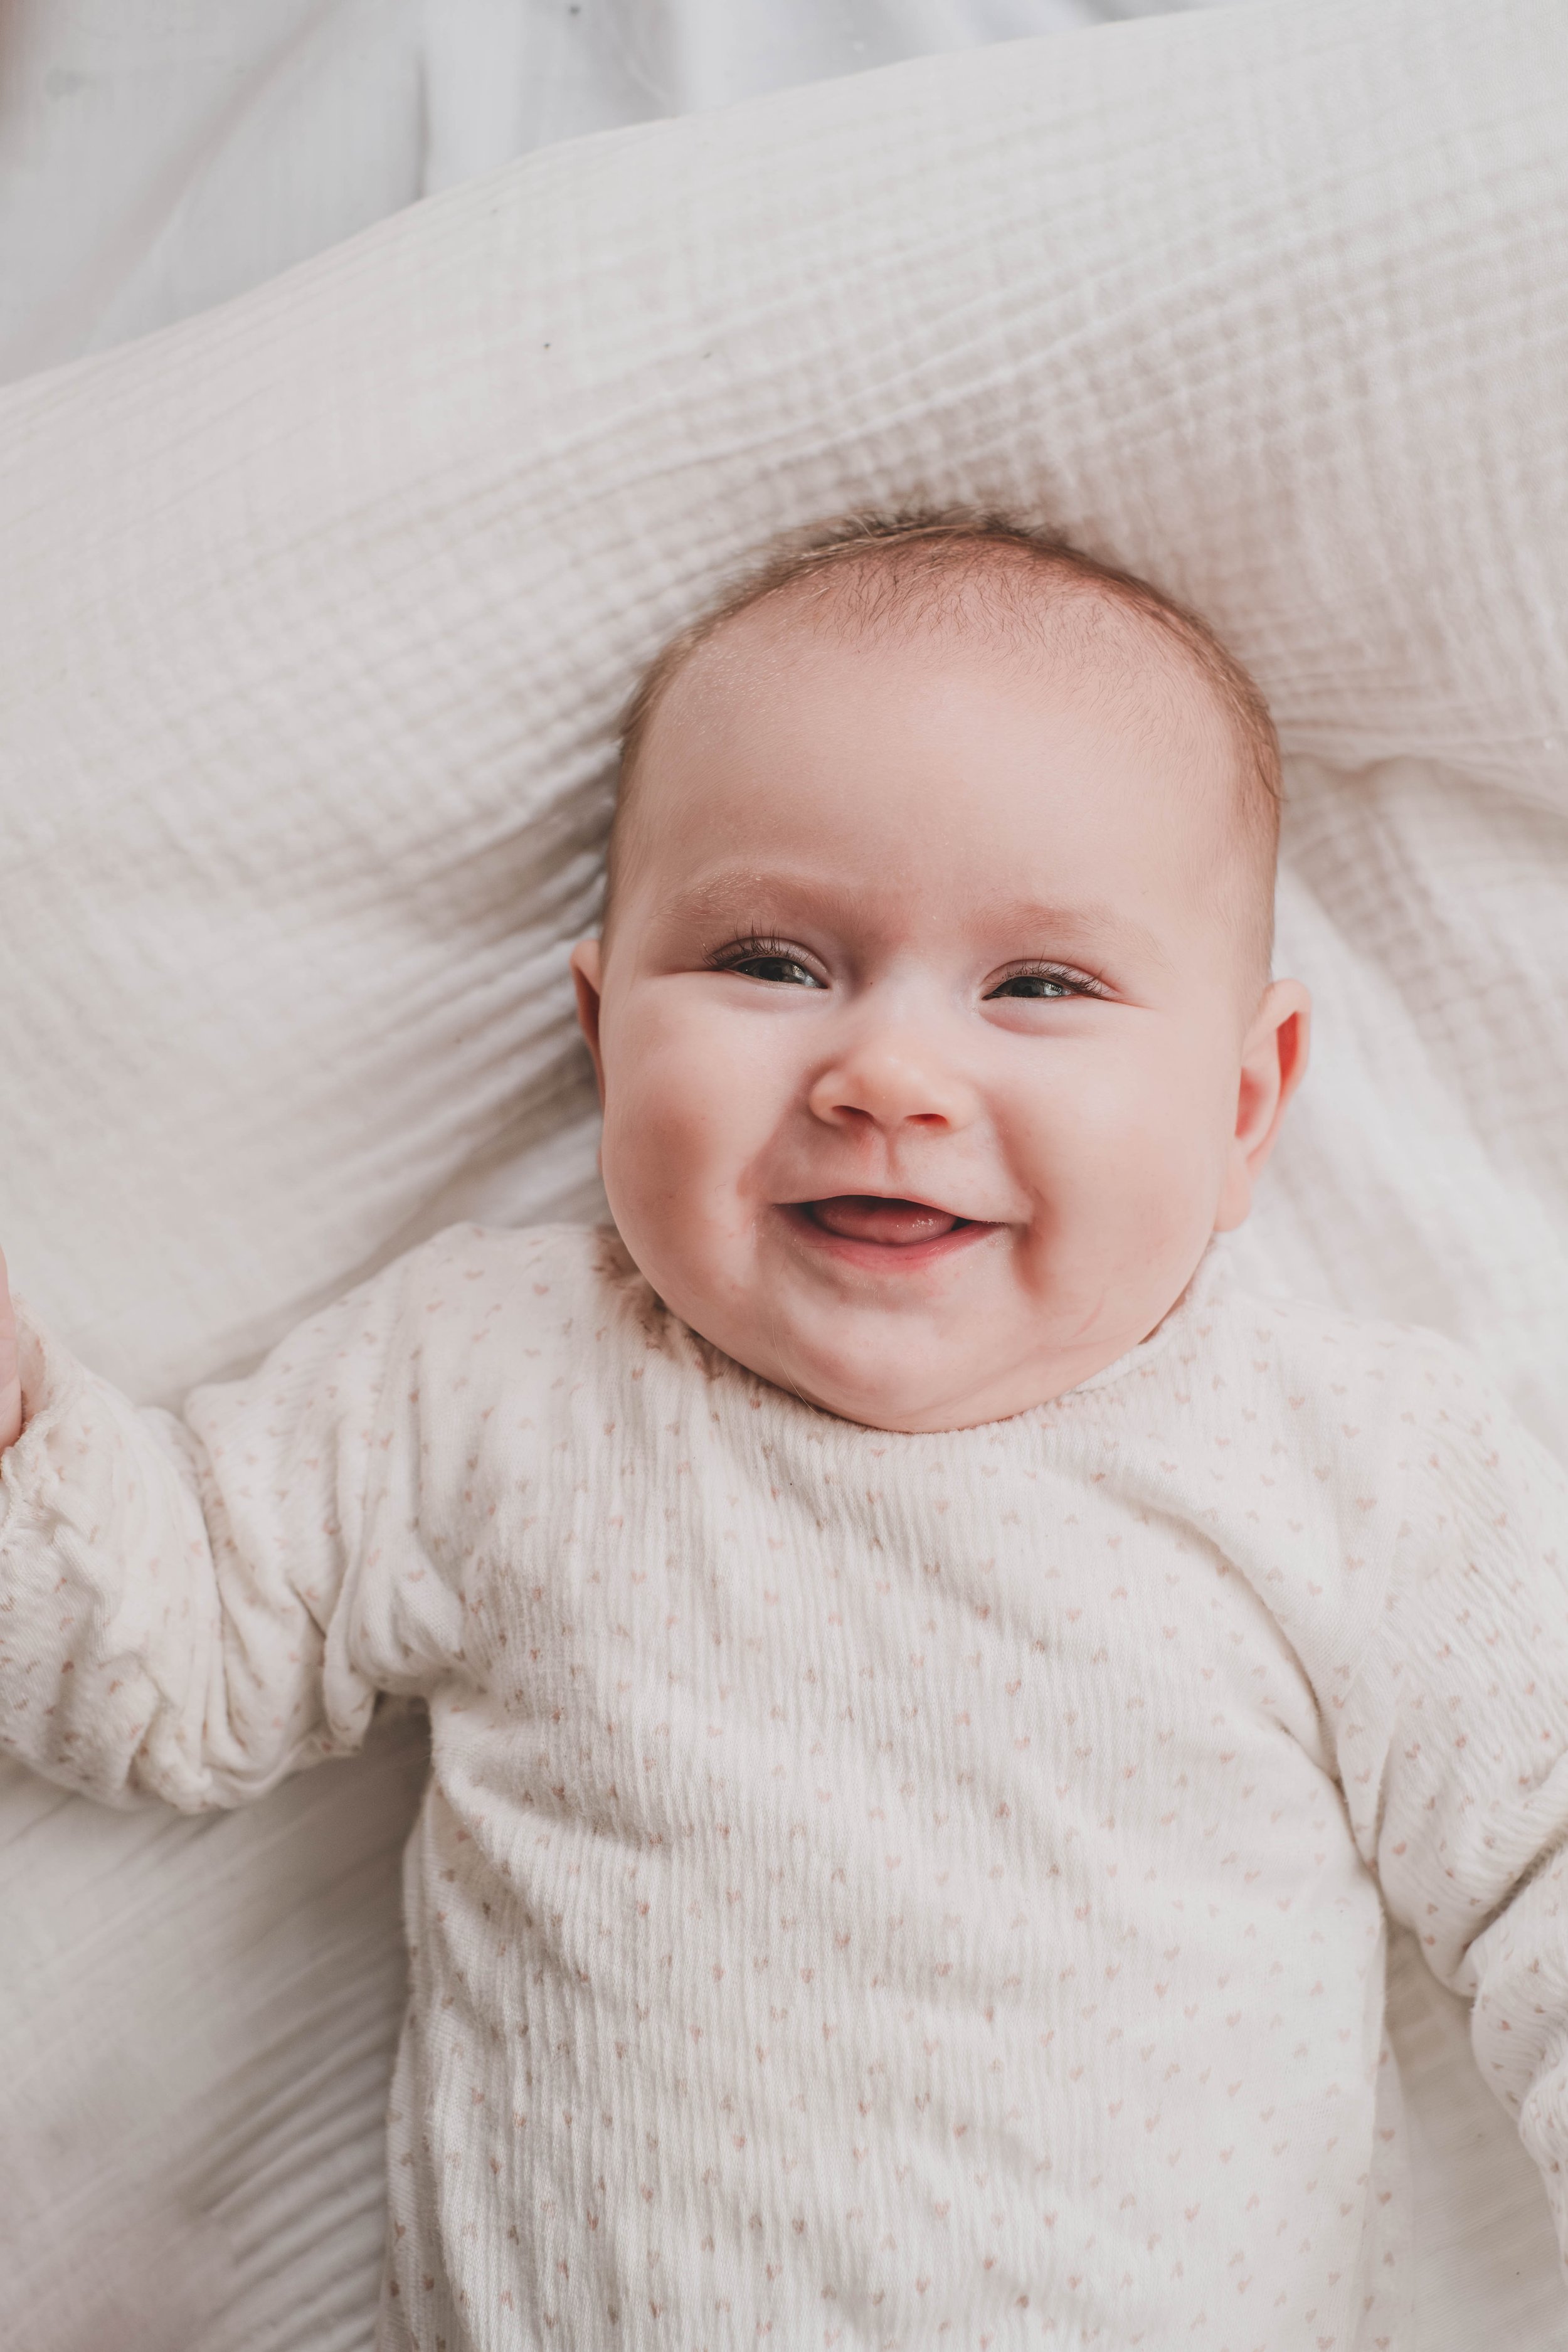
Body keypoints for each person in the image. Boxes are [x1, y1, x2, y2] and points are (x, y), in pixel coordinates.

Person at [3, 511, 1565, 2350]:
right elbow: (162, 1658)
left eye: (1037, 986)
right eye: (769, 962)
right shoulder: (497, 1373)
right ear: (604, 1039)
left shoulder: (1352, 1464)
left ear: (1242, 1106)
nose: (887, 1075)